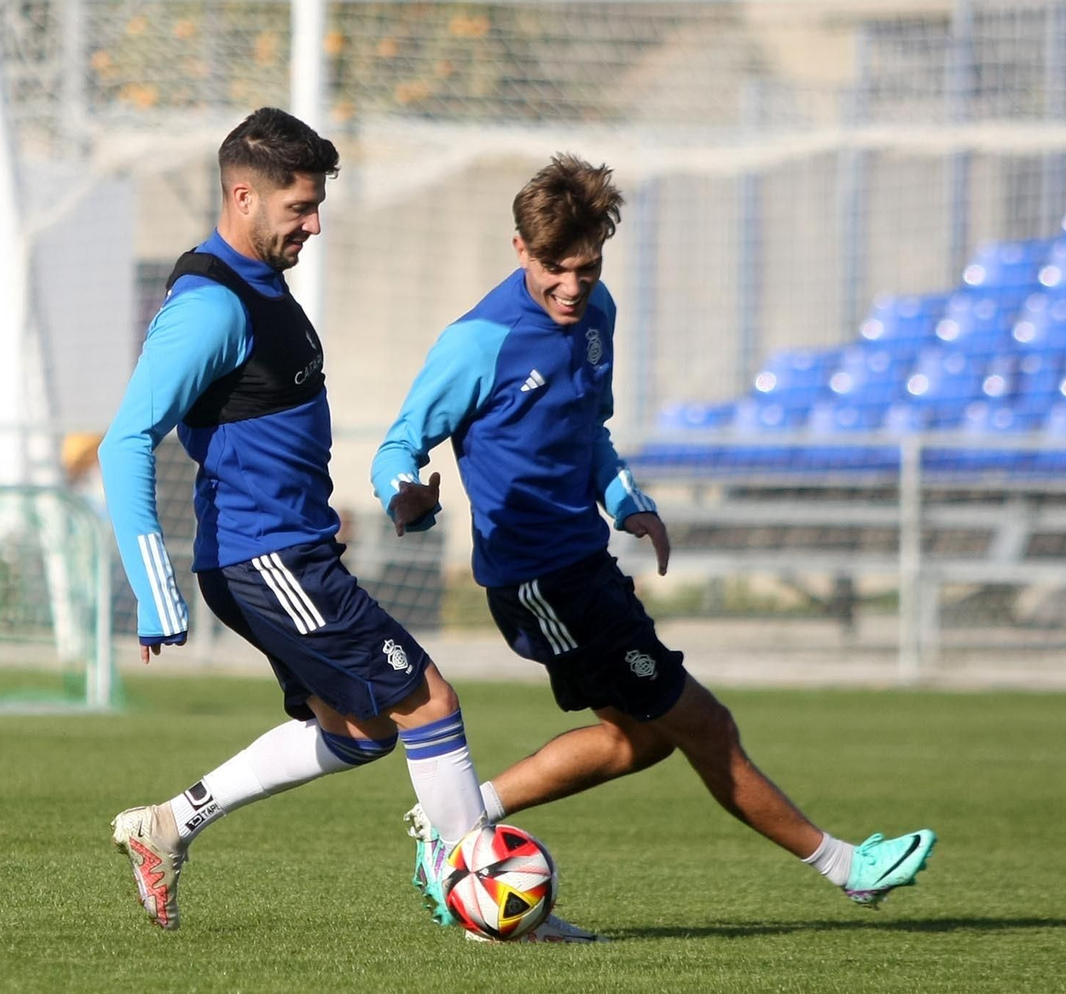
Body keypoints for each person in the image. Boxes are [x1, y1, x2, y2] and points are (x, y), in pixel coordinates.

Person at [370, 155, 936, 939]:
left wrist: (627, 499)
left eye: (587, 266)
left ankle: (458, 826)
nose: (572, 286)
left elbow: (588, 432)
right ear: (519, 248)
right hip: (540, 578)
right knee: (703, 721)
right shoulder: (478, 342)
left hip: (586, 562)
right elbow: (398, 445)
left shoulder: (596, 313)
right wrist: (407, 496)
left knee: (639, 742)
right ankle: (847, 867)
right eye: (554, 269)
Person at [98, 108, 489, 933]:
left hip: (285, 547)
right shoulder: (209, 306)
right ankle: (479, 894)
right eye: (298, 208)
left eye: (316, 207)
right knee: (429, 701)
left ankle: (170, 823)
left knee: (362, 730)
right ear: (243, 195)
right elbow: (126, 440)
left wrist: (366, 503)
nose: (312, 224)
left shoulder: (262, 283)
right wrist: (152, 591)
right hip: (266, 555)